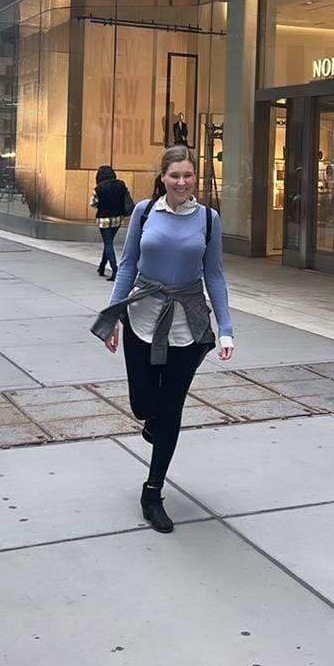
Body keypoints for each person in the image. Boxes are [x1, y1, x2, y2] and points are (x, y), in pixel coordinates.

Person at [92, 144, 234, 534]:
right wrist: (112, 316)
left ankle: (153, 491)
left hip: (186, 325)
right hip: (141, 318)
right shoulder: (143, 211)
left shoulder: (208, 219)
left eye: (188, 175)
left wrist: (225, 328)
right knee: (143, 405)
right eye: (175, 175)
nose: (182, 182)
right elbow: (129, 265)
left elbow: (215, 275)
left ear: (195, 178)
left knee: (170, 410)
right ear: (163, 178)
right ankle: (151, 421)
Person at [91, 165, 133, 281]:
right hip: (118, 218)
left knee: (108, 242)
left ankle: (115, 270)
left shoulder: (98, 188)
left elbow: (93, 203)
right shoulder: (121, 184)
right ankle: (102, 266)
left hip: (104, 219)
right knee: (108, 243)